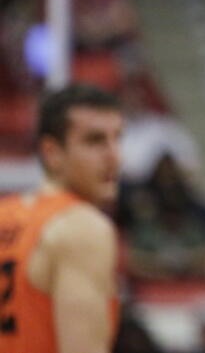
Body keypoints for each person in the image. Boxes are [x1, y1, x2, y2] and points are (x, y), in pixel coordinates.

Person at [0, 84, 123, 353]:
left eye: (117, 138)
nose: (114, 156)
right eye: (95, 141)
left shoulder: (4, 214)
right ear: (52, 152)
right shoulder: (82, 227)